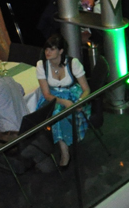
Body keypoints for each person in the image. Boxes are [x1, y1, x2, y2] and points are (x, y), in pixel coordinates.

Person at [35, 35, 92, 169]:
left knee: (63, 113)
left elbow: (86, 90)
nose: (47, 52)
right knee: (57, 112)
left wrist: (79, 102)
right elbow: (46, 94)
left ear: (60, 51)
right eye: (46, 49)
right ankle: (64, 150)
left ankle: (65, 147)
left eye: (52, 49)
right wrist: (64, 102)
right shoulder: (41, 65)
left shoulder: (73, 63)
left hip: (73, 94)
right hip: (53, 97)